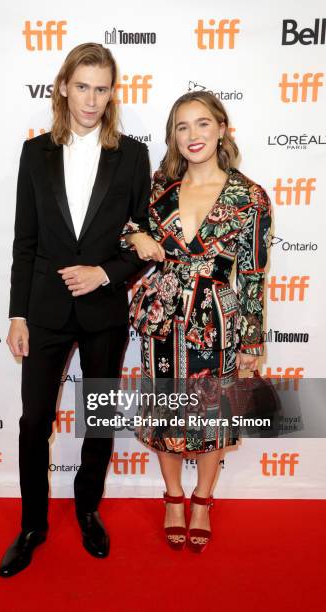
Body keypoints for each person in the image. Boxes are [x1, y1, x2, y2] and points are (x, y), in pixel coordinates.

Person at [0, 43, 151, 577]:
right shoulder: (34, 152)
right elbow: (25, 241)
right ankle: (33, 524)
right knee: (33, 421)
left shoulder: (132, 156)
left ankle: (87, 509)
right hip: (42, 309)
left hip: (105, 308)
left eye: (102, 88)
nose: (91, 99)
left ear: (113, 93)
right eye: (82, 86)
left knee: (100, 418)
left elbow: (140, 241)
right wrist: (17, 314)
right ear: (63, 87)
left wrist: (104, 273)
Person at [120, 90, 271, 553]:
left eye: (202, 124)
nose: (193, 135)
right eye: (182, 127)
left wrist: (251, 342)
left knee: (213, 415)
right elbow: (123, 226)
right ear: (173, 137)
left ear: (222, 128)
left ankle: (203, 500)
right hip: (163, 319)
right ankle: (172, 498)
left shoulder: (250, 197)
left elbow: (252, 274)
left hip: (217, 322)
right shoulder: (158, 188)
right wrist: (139, 237)